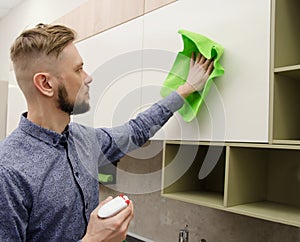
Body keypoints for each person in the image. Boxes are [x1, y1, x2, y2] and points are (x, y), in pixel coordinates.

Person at [0, 23, 214, 242]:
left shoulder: (85, 139)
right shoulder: (7, 171)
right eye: (77, 69)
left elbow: (137, 130)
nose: (88, 77)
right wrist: (94, 239)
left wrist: (185, 90)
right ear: (45, 83)